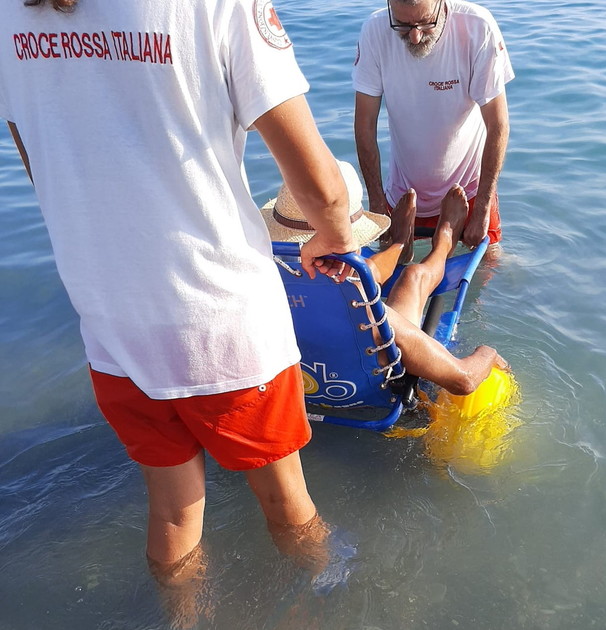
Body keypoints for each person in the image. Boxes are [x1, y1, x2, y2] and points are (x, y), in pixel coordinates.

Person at [0, 0, 359, 617]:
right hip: (219, 315)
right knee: (288, 507)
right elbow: (320, 183)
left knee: (171, 512)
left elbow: (36, 156)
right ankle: (336, 602)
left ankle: (184, 619)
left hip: (111, 321)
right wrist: (331, 234)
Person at [263, 161, 509, 395]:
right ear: (350, 239)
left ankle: (399, 244)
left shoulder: (260, 288)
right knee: (414, 277)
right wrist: (488, 353)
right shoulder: (368, 314)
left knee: (360, 275)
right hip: (369, 386)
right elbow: (463, 379)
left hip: (307, 385)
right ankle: (440, 243)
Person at [352, 0, 515, 263]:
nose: (415, 36)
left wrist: (483, 207)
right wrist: (377, 202)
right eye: (402, 26)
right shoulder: (374, 30)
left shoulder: (478, 26)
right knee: (392, 271)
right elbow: (364, 126)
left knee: (490, 266)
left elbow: (498, 124)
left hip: (469, 191)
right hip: (404, 196)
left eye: (425, 23)